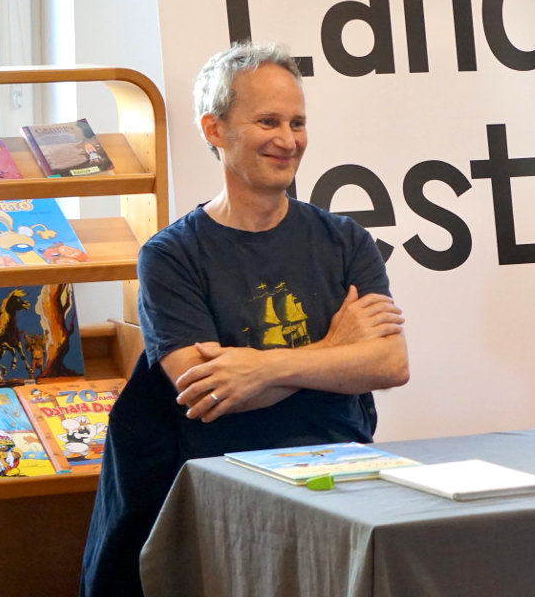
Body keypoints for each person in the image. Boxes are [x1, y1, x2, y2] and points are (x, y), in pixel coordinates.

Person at [81, 42, 410, 596]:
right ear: (214, 129)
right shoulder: (171, 256)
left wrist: (258, 369)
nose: (288, 139)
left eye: (297, 122)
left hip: (344, 481)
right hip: (225, 495)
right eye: (268, 122)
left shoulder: (345, 240)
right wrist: (334, 349)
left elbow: (389, 363)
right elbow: (209, 393)